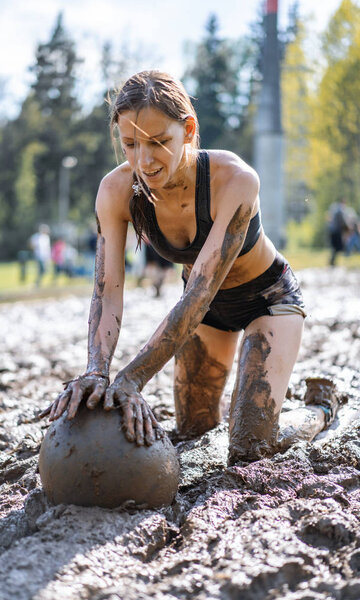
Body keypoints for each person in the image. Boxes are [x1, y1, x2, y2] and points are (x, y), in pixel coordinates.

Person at [40, 71, 338, 465]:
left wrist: (132, 379)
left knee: (250, 446)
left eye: (159, 142)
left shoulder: (236, 180)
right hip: (207, 313)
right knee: (194, 431)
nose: (144, 160)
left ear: (188, 129)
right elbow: (106, 293)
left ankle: (320, 409)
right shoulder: (115, 192)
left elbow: (199, 293)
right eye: (130, 144)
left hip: (267, 300)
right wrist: (97, 371)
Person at [327, 199, 350, 266]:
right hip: (336, 232)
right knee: (337, 247)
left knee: (335, 247)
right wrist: (348, 228)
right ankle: (332, 262)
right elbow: (343, 222)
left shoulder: (335, 209)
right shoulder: (340, 211)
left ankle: (332, 261)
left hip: (333, 231)